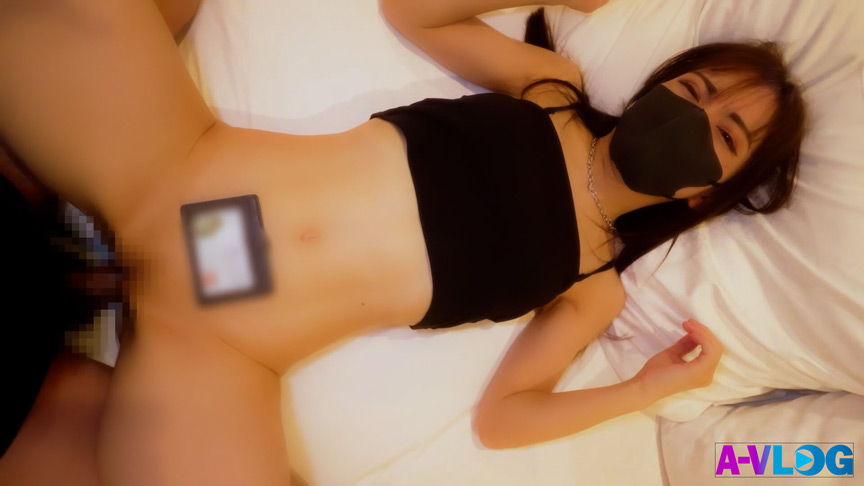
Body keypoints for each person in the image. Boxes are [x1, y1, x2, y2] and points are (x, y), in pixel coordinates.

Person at [0, 0, 805, 484]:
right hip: (170, 169)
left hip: (214, 349)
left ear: (709, 194)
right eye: (694, 89)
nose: (695, 116)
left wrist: (644, 389)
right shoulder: (552, 89)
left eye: (725, 133)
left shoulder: (594, 285)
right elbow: (413, 8)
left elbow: (505, 419)